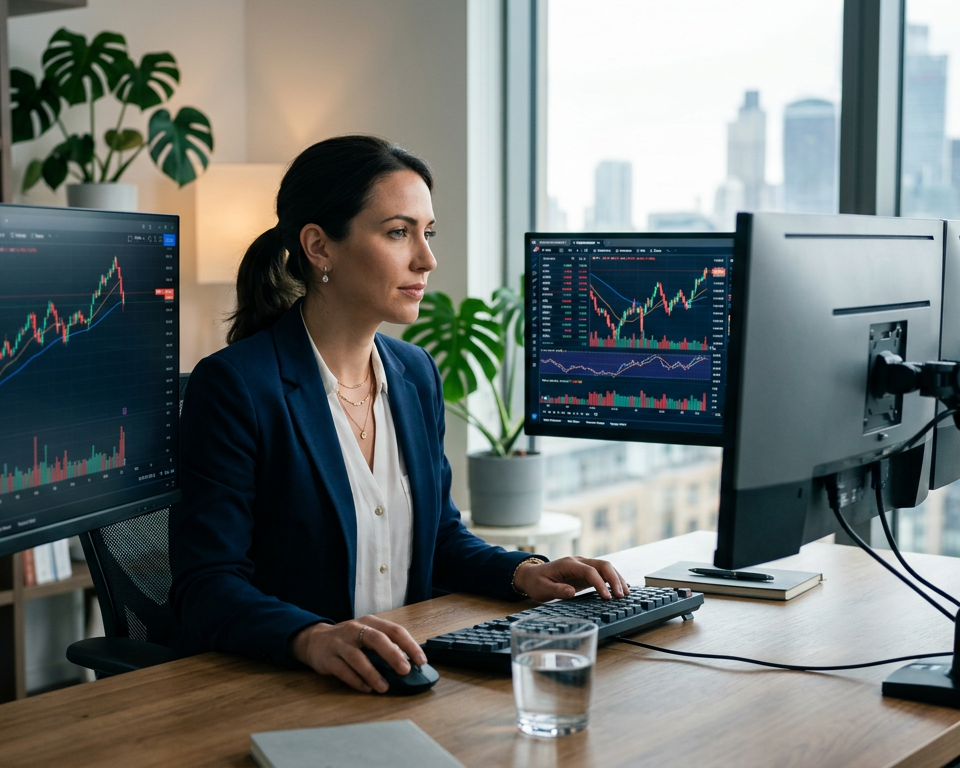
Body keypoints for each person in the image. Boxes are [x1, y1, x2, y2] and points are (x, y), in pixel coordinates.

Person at [170, 135, 629, 694]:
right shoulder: (236, 386)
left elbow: (438, 538)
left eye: (427, 233)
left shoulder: (413, 373)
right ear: (319, 247)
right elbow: (207, 585)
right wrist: (312, 637)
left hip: (408, 674)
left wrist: (523, 572)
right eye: (398, 232)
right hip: (286, 684)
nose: (427, 259)